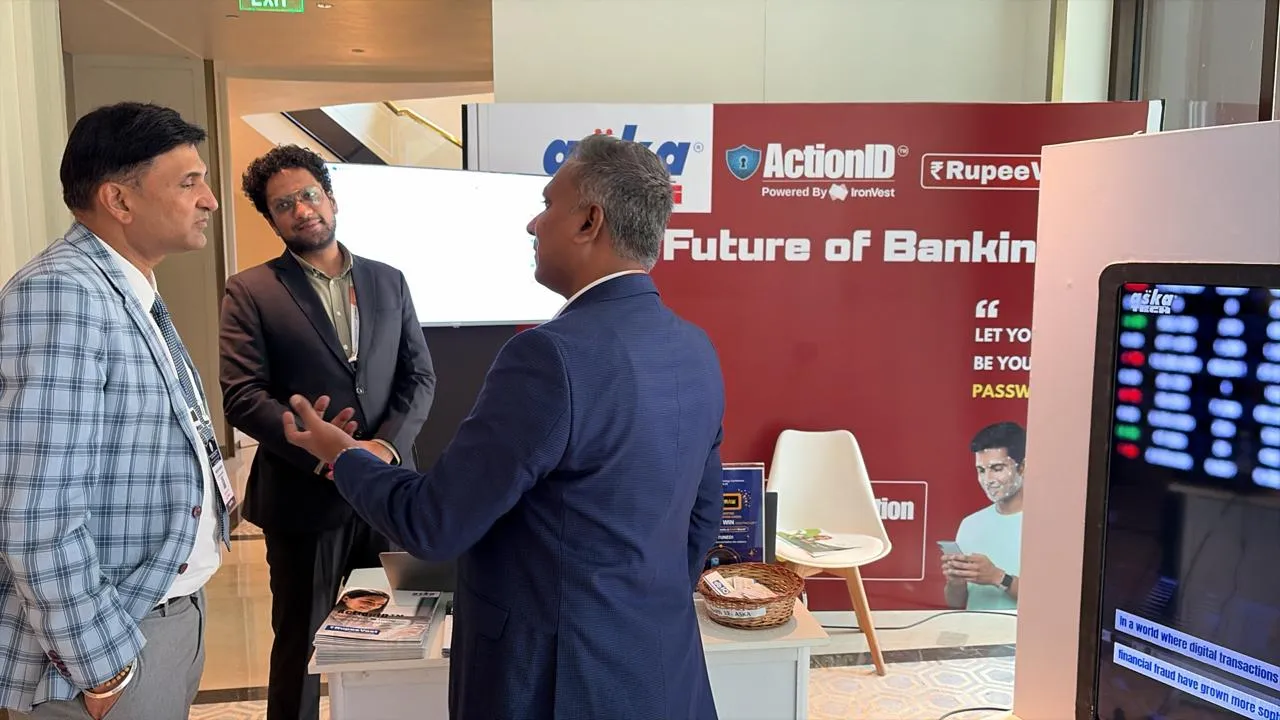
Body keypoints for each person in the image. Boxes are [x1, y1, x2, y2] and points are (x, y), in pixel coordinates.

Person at [281, 133, 726, 720]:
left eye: (547, 204)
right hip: (663, 669)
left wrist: (344, 455)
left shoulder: (548, 357)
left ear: (589, 221)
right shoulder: (695, 348)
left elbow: (434, 523)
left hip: (555, 683)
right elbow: (701, 520)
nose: (532, 225)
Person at [0, 102, 229, 719]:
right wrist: (102, 668)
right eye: (188, 182)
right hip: (114, 636)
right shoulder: (62, 294)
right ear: (119, 200)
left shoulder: (126, 285)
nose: (209, 200)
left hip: (164, 611)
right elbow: (36, 512)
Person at [219, 144, 436, 720]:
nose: (301, 209)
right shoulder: (251, 290)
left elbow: (419, 376)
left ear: (331, 200)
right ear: (272, 220)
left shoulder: (389, 281)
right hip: (302, 498)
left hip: (386, 494)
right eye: (283, 204)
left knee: (398, 634)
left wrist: (381, 448)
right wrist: (326, 452)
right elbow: (242, 394)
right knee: (301, 644)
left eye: (309, 195)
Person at [942, 421, 1025, 611]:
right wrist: (955, 582)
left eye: (997, 468)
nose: (988, 480)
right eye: (981, 470)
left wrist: (998, 577)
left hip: (1022, 631)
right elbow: (955, 603)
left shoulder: (1047, 524)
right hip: (974, 631)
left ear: (1022, 467)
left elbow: (1053, 600)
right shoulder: (970, 524)